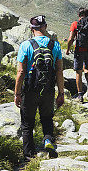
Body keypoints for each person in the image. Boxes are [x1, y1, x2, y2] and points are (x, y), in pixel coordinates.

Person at [14, 15, 65, 159]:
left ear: (31, 28)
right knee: (47, 118)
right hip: (48, 89)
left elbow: (21, 72)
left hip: (30, 89)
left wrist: (17, 93)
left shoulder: (25, 45)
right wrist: (61, 93)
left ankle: (29, 154)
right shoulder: (55, 45)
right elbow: (59, 71)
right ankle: (48, 140)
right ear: (45, 27)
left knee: (27, 122)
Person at [66, 7, 88, 101]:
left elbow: (70, 39)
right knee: (87, 68)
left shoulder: (75, 24)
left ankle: (80, 96)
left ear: (79, 15)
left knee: (78, 72)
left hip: (79, 50)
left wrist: (68, 49)